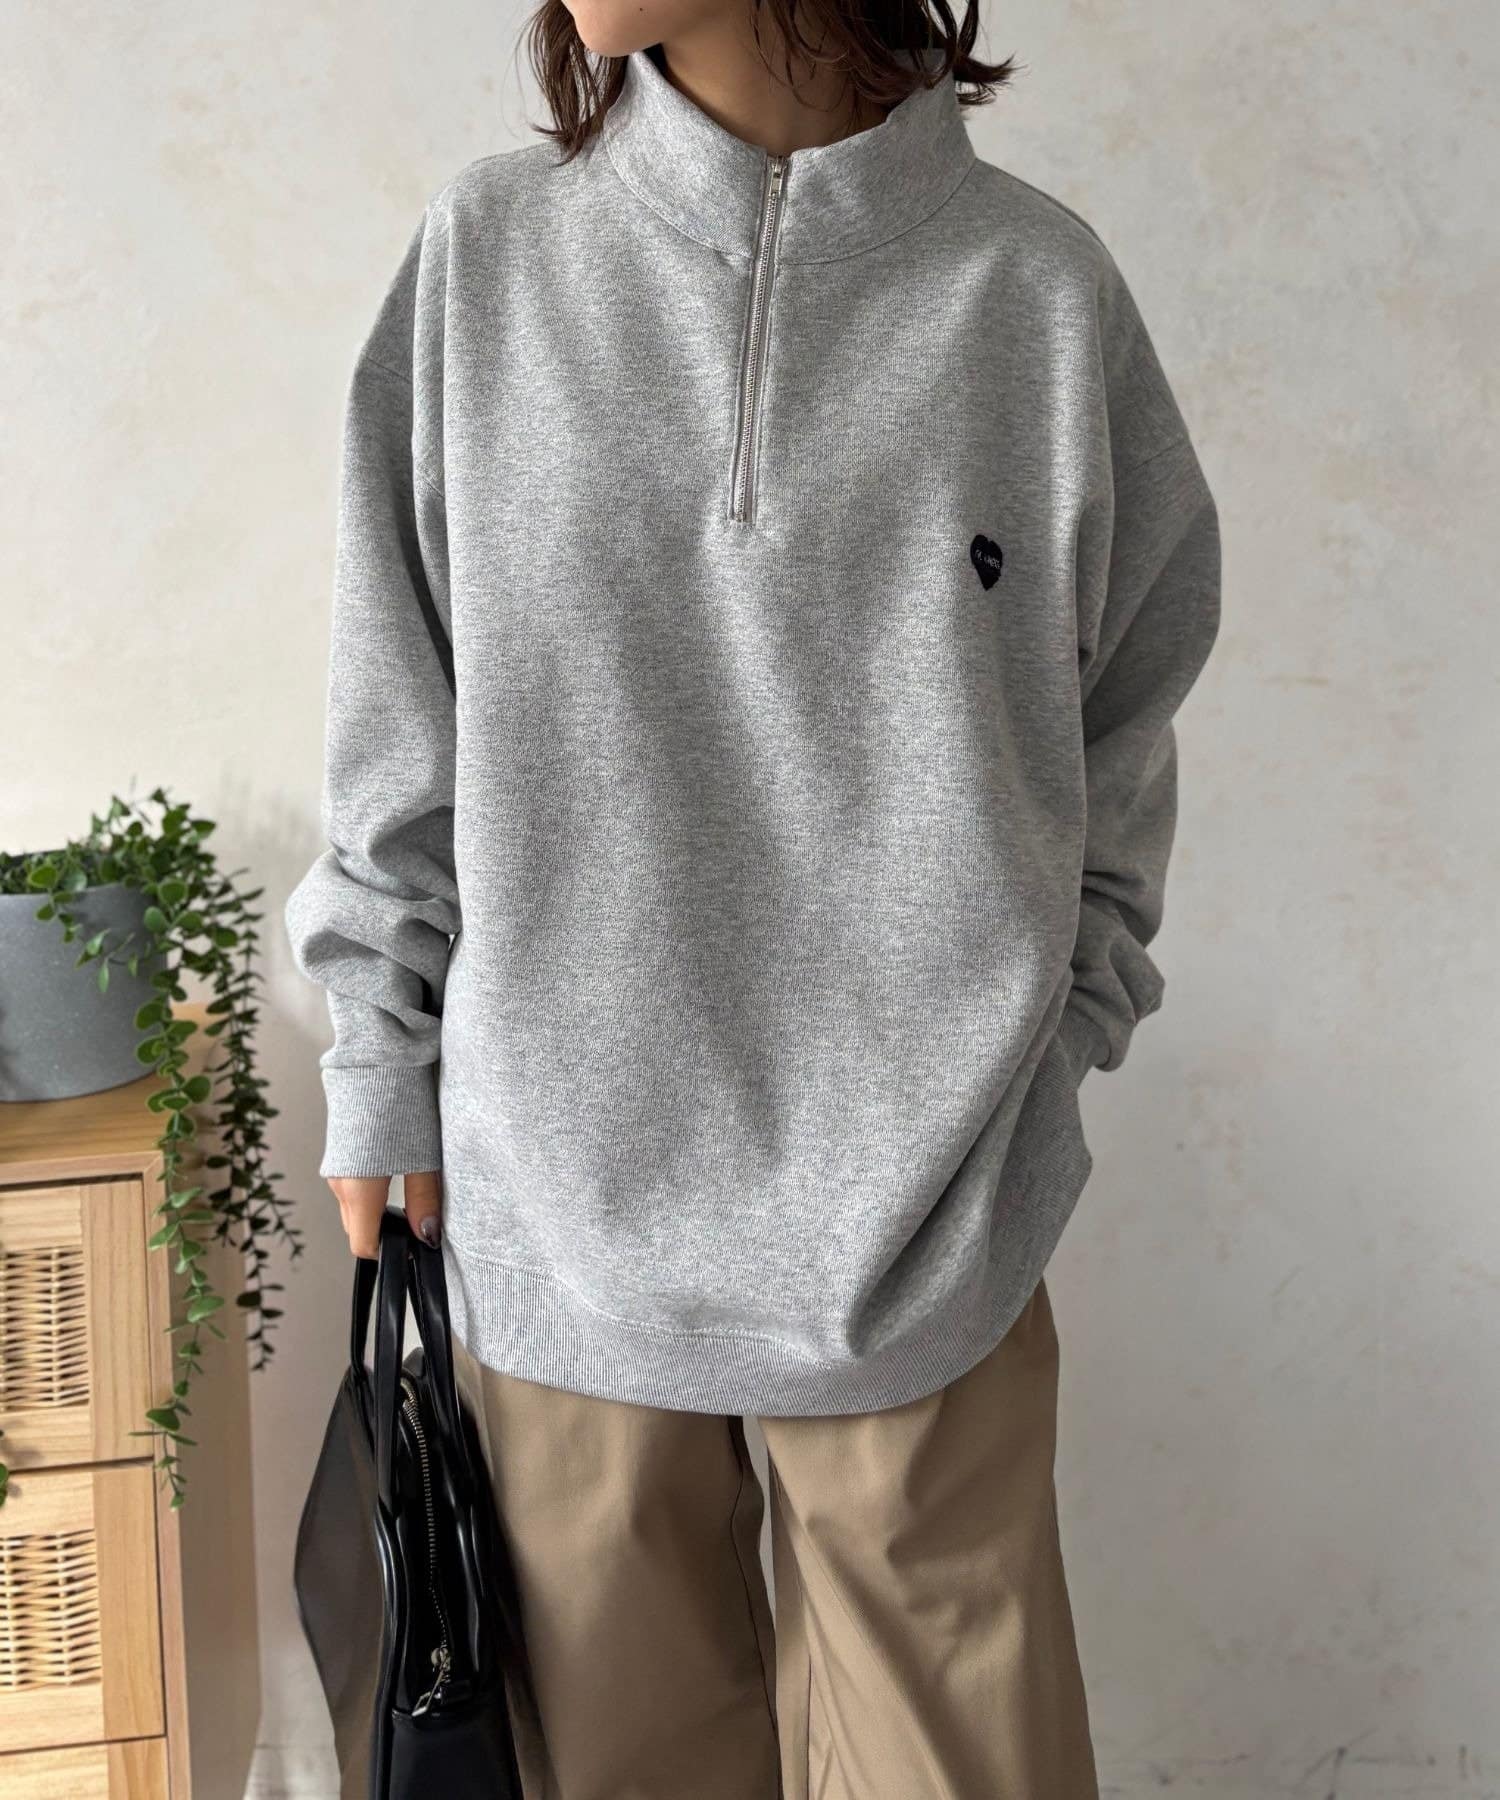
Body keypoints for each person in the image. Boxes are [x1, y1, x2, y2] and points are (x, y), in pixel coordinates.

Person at [283, 0, 1222, 1791]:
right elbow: (398, 709)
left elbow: (1123, 727)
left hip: (932, 1239)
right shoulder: (491, 260)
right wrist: (380, 1058)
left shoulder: (1035, 295)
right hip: (560, 1227)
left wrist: (1056, 1046)